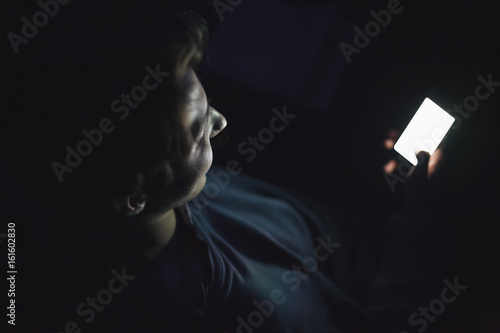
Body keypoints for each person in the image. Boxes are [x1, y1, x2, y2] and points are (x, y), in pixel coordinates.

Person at [2, 1, 447, 332]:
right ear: (133, 196)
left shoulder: (174, 187)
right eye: (197, 131)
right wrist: (421, 220)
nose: (220, 122)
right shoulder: (229, 309)